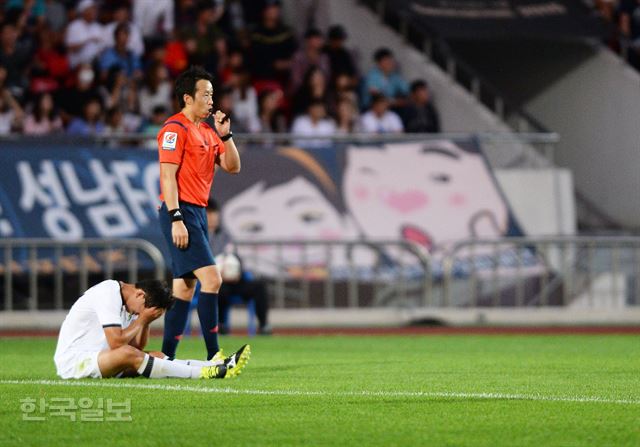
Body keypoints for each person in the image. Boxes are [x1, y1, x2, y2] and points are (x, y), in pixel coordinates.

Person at [157, 65, 243, 364]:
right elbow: (167, 177)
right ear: (187, 98)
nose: (211, 100)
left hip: (198, 212)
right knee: (213, 278)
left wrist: (226, 135)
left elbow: (233, 167)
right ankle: (213, 355)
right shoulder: (174, 130)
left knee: (184, 286)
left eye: (212, 95)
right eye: (205, 95)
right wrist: (176, 217)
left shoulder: (208, 130)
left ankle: (166, 356)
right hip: (181, 211)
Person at [53, 279, 249, 380]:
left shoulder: (129, 301)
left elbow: (137, 346)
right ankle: (206, 374)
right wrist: (142, 319)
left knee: (157, 355)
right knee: (129, 353)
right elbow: (116, 343)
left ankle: (219, 365)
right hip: (75, 361)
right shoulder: (107, 293)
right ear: (140, 294)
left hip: (100, 358)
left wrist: (145, 321)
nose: (139, 315)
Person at [205, 199, 271, 335]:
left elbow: (235, 257)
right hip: (213, 280)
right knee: (218, 288)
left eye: (214, 214)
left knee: (259, 285)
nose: (212, 218)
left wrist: (237, 271)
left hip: (234, 280)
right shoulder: (198, 236)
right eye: (209, 214)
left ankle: (264, 325)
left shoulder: (225, 236)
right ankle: (221, 324)